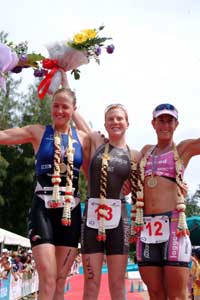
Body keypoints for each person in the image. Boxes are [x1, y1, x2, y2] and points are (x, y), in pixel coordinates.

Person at [0, 87, 90, 300]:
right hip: (43, 209)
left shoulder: (84, 138)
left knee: (60, 281)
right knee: (48, 279)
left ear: (74, 110)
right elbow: (3, 136)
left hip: (71, 211)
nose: (59, 110)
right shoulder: (38, 132)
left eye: (65, 107)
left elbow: (97, 169)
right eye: (55, 106)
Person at [73, 103, 141, 300]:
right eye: (111, 119)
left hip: (119, 220)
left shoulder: (134, 155)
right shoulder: (96, 141)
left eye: (119, 118)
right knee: (91, 283)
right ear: (105, 123)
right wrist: (63, 77)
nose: (115, 122)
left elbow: (142, 187)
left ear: (127, 123)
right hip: (92, 218)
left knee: (118, 284)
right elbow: (74, 111)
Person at [134, 103, 200, 300]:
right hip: (147, 227)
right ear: (153, 123)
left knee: (177, 295)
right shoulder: (145, 151)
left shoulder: (183, 148)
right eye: (161, 120)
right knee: (155, 293)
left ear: (176, 124)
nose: (165, 125)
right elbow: (129, 173)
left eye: (169, 120)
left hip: (173, 227)